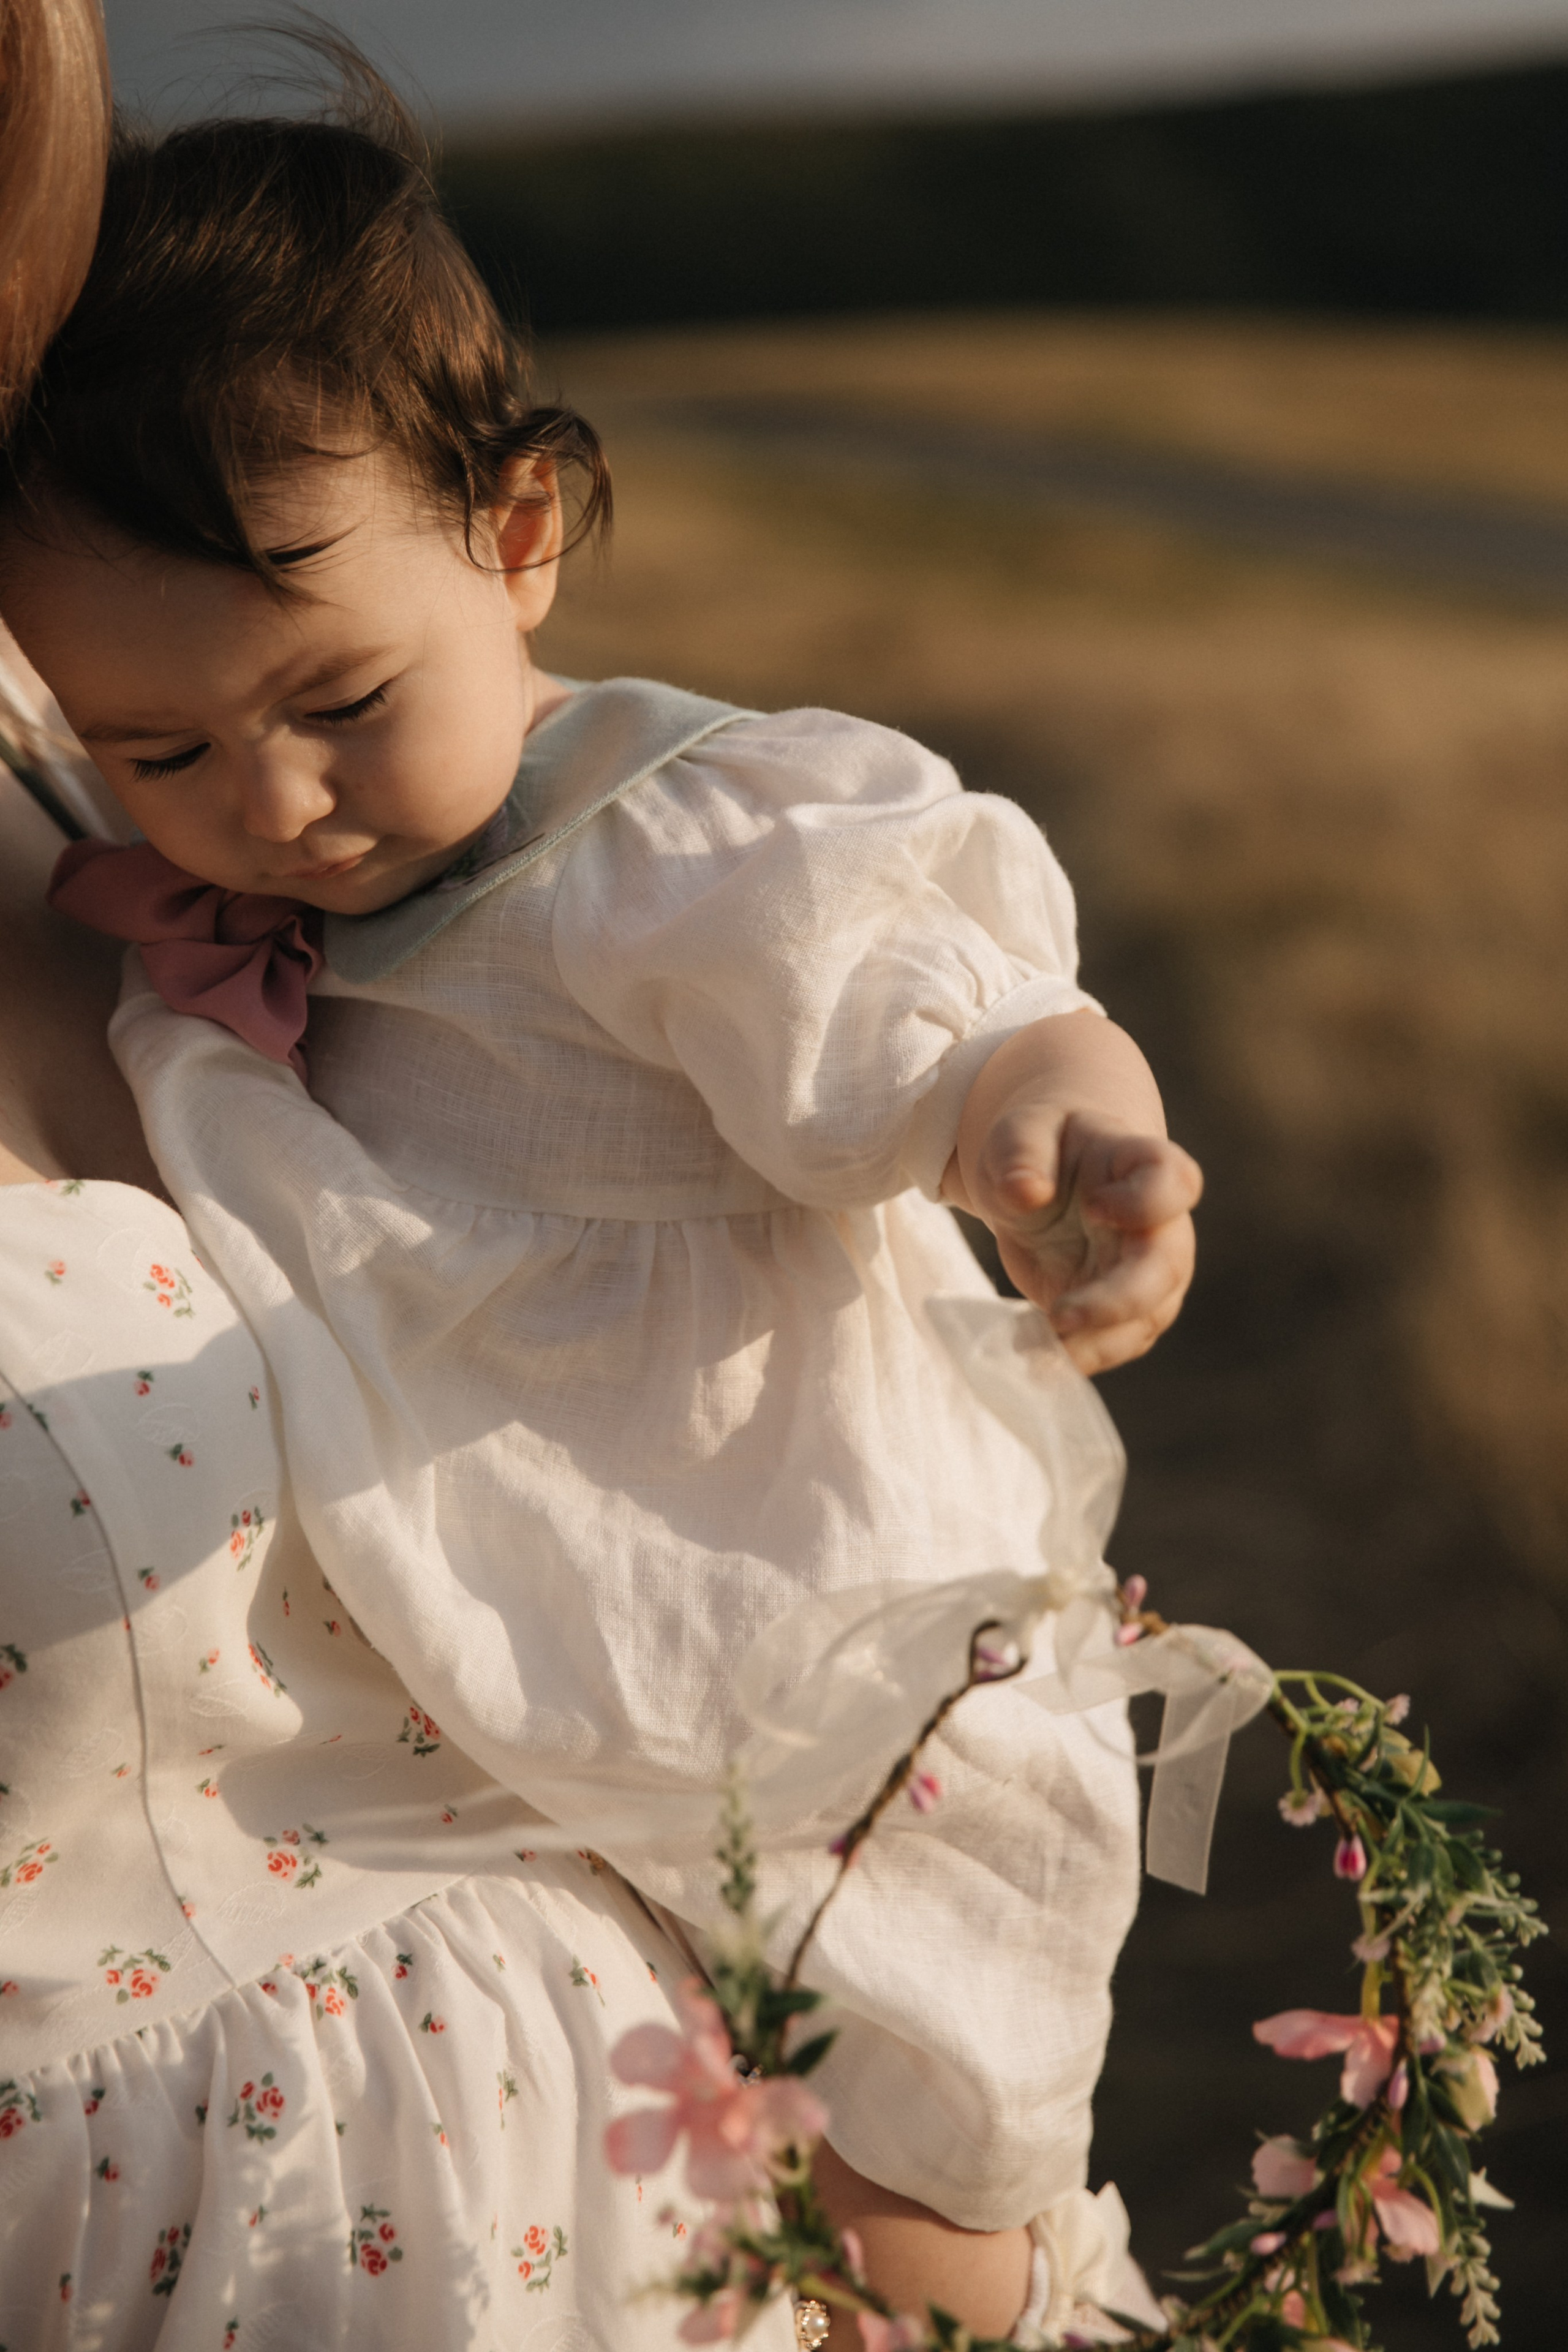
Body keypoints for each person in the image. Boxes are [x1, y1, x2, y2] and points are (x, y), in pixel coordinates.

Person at [0, 48, 1201, 2349]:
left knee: (931, 2122)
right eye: (159, 750)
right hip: (559, 1652)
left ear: (523, 535)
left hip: (795, 1601)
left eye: (338, 697)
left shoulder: (649, 847)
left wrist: (1059, 1114)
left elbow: (915, 988)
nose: (274, 799)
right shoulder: (202, 904)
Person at [0, 12, 785, 2346]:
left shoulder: (86, 719)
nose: (261, 785)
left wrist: (915, 2118)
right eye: (186, 753)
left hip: (662, 2178)